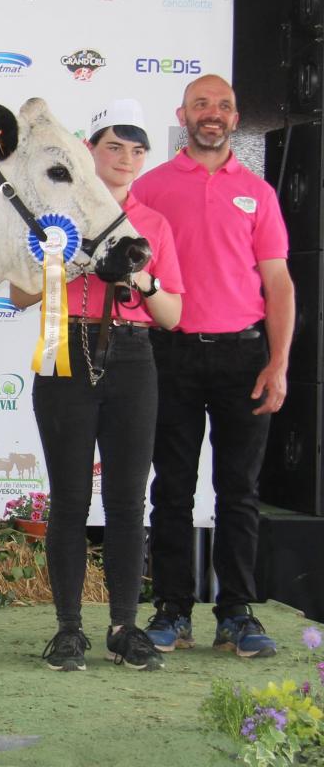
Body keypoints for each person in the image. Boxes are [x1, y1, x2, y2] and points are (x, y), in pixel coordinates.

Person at [10, 99, 184, 672]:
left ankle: (124, 626)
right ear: (91, 150)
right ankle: (67, 630)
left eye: (137, 150)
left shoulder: (152, 223)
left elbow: (172, 313)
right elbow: (20, 293)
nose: (126, 159)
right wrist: (81, 263)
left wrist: (139, 273)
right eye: (114, 147)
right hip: (67, 347)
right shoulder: (58, 216)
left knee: (128, 501)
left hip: (132, 356)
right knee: (69, 500)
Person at [133, 75, 293, 658]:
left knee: (240, 491)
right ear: (183, 114)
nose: (214, 114)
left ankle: (237, 612)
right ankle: (172, 609)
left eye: (224, 106)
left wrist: (278, 362)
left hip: (243, 355)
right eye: (202, 104)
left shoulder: (259, 193)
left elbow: (278, 283)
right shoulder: (148, 188)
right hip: (168, 353)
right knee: (171, 489)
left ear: (234, 118)